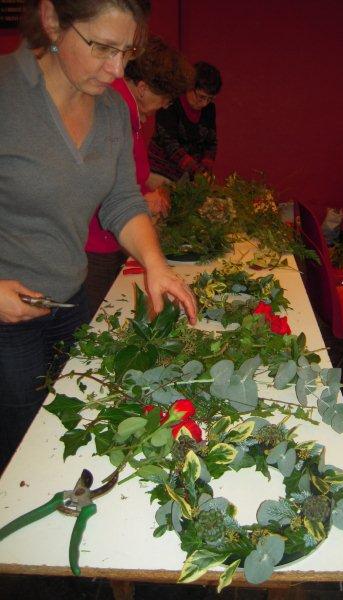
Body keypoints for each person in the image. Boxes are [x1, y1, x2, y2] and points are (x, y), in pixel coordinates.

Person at [0, 0, 196, 474]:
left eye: (127, 52)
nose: (117, 69)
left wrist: (156, 265)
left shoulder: (110, 111)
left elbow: (123, 200)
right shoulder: (7, 93)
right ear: (52, 20)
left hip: (69, 301)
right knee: (20, 451)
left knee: (72, 426)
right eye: (102, 48)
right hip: (5, 321)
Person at [85, 34, 194, 318]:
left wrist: (146, 192)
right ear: (143, 88)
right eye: (164, 99)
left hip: (109, 240)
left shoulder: (129, 112)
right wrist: (142, 202)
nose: (164, 106)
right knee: (91, 326)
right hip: (95, 244)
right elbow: (98, 188)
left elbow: (124, 177)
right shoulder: (115, 107)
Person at [148, 61, 222, 187]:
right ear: (189, 87)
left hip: (188, 175)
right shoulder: (170, 103)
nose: (204, 103)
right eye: (201, 97)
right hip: (160, 173)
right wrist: (197, 171)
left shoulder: (209, 109)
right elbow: (170, 144)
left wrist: (206, 166)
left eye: (210, 99)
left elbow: (211, 142)